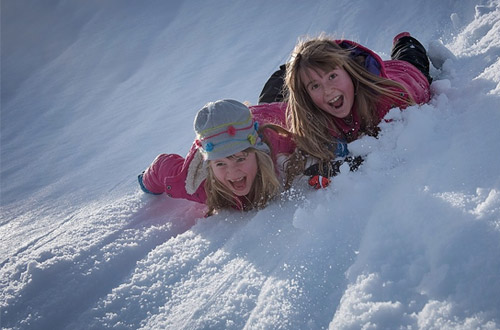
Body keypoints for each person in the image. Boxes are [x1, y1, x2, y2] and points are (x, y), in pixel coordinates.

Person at [260, 32, 432, 182]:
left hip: (407, 73)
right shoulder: (312, 110)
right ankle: (297, 69)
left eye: (332, 76)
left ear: (349, 71)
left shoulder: (387, 100)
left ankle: (403, 40)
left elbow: (389, 150)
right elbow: (271, 117)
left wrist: (345, 165)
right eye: (315, 86)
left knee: (410, 54)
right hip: (356, 77)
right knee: (275, 94)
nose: (328, 91)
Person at [138, 99, 296, 216]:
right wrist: (147, 183)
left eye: (240, 158)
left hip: (266, 114)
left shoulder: (277, 142)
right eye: (220, 163)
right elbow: (162, 167)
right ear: (209, 166)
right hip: (217, 137)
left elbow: (299, 114)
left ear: (257, 153)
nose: (233, 172)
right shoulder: (196, 184)